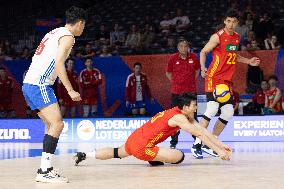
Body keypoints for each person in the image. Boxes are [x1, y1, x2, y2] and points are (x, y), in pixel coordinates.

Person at [74, 93, 232, 166]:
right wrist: (219, 153)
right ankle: (153, 158)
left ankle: (85, 155)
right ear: (185, 107)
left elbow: (203, 131)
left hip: (134, 138)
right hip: (142, 146)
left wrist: (220, 145)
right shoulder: (179, 118)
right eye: (194, 105)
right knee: (180, 157)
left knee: (117, 152)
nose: (196, 107)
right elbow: (199, 134)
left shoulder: (179, 113)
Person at [22, 6, 86, 183]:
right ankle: (44, 172)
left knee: (51, 126)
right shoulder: (68, 37)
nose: (83, 29)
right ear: (80, 23)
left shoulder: (54, 32)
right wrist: (70, 89)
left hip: (29, 83)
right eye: (84, 25)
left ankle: (45, 168)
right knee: (57, 124)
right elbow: (59, 64)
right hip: (39, 84)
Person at [193, 9, 260, 159]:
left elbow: (234, 55)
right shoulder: (217, 37)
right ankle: (197, 144)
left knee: (228, 112)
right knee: (211, 109)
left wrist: (248, 61)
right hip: (214, 76)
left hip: (226, 80)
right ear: (224, 21)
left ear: (237, 23)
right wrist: (203, 67)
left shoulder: (237, 37)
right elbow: (203, 52)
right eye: (228, 21)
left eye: (234, 21)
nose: (231, 24)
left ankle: (210, 142)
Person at [165, 39, 200, 152]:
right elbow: (168, 73)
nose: (183, 48)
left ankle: (197, 142)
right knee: (175, 118)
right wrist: (175, 83)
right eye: (181, 46)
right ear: (178, 48)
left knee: (192, 117)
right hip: (176, 92)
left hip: (191, 92)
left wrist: (191, 82)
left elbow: (197, 70)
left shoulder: (194, 57)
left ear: (188, 47)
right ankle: (173, 142)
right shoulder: (173, 58)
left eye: (185, 46)